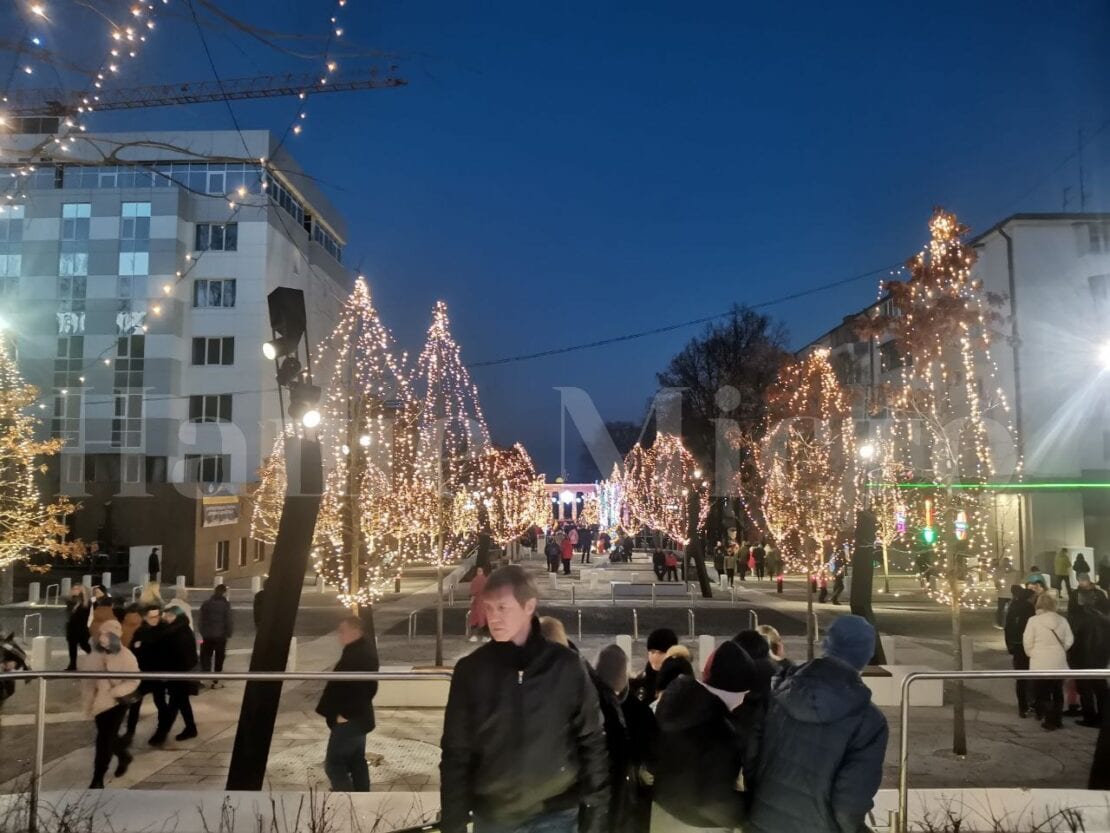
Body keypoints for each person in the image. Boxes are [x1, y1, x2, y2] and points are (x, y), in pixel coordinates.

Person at [439, 565, 609, 833]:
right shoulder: (471, 671)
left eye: (503, 608)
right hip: (494, 817)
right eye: (489, 607)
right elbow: (455, 753)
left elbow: (592, 741)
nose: (493, 617)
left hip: (556, 815)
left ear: (529, 606)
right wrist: (453, 823)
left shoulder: (566, 666)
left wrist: (596, 818)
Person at [747, 615, 888, 833]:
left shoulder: (777, 692)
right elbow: (849, 805)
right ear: (867, 655)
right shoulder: (869, 721)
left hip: (761, 822)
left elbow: (751, 758)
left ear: (826, 645)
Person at [650, 641, 758, 833]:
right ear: (740, 691)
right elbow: (712, 800)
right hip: (696, 825)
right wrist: (749, 809)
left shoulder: (675, 701)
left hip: (661, 810)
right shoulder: (719, 730)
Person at [315, 616, 379, 792]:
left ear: (355, 631)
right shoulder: (358, 649)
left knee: (335, 765)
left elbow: (367, 688)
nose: (339, 636)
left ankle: (345, 800)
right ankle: (361, 797)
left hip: (351, 720)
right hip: (358, 718)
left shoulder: (361, 654)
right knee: (356, 761)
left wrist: (345, 715)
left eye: (343, 632)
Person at [78, 619, 139, 789]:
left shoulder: (126, 656)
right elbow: (87, 682)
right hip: (99, 703)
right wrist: (88, 702)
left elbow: (133, 681)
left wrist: (114, 692)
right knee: (108, 737)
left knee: (104, 739)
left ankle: (98, 777)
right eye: (102, 633)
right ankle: (123, 755)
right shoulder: (94, 655)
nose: (103, 637)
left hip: (116, 703)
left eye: (108, 634)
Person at [1023, 592, 1074, 731]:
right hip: (1058, 661)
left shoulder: (1033, 621)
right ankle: (1057, 719)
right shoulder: (1062, 620)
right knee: (1057, 691)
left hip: (1040, 662)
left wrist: (1032, 653)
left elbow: (1027, 641)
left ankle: (1048, 719)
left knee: (1043, 692)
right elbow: (1070, 639)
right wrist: (1061, 649)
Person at [151, 602, 198, 744]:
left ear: (177, 616)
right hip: (179, 673)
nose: (167, 618)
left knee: (175, 703)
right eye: (166, 615)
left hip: (178, 673)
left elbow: (178, 654)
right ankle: (190, 728)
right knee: (182, 702)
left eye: (170, 616)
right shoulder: (180, 629)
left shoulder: (178, 632)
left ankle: (162, 733)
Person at [1067, 574, 1110, 727]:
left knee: (1085, 686)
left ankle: (1090, 716)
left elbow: (1073, 635)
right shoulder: (1104, 617)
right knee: (1100, 686)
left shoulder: (1079, 619)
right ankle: (1104, 715)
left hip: (1083, 655)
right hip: (1099, 655)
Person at [125, 605, 168, 744]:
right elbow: (132, 650)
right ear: (145, 617)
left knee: (160, 703)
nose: (155, 619)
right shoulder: (141, 631)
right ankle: (129, 733)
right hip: (142, 673)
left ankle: (161, 732)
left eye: (157, 616)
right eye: (152, 617)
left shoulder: (164, 631)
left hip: (157, 674)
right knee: (134, 703)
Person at [1004, 586, 1036, 718]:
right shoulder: (1029, 609)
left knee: (1021, 678)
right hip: (1028, 647)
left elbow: (1007, 627)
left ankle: (1022, 707)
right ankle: (1033, 703)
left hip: (1017, 646)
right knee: (1031, 677)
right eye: (1033, 597)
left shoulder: (1013, 606)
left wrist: (1010, 644)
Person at [198, 585, 233, 688]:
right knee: (219, 657)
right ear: (224, 593)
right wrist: (229, 633)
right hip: (220, 636)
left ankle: (206, 676)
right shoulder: (225, 604)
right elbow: (228, 620)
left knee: (206, 655)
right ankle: (216, 678)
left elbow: (201, 620)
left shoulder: (206, 603)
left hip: (207, 635)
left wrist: (203, 632)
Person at [630, 628, 678, 703]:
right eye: (652, 652)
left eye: (660, 653)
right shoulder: (641, 683)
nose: (655, 656)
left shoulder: (680, 684)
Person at [65, 584, 92, 670]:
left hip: (82, 629)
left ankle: (98, 660)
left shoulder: (86, 604)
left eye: (76, 589)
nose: (73, 590)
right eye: (73, 588)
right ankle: (72, 664)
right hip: (72, 629)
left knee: (85, 646)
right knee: (72, 647)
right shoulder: (74, 603)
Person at [468, 565, 490, 642]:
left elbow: (473, 593)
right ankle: (486, 636)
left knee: (474, 619)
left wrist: (471, 601)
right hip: (485, 603)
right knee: (485, 619)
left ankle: (474, 636)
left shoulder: (475, 580)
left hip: (477, 603)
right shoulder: (486, 580)